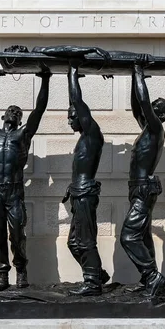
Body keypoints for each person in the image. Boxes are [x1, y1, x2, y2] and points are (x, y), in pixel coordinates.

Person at [0, 68, 51, 291]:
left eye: (18, 112)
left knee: (17, 233)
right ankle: (3, 273)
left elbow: (40, 109)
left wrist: (45, 79)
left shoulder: (23, 135)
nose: (14, 112)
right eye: (11, 110)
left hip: (14, 192)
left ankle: (21, 270)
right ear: (4, 116)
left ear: (20, 119)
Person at [119, 55, 165, 298]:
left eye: (154, 106)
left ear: (159, 114)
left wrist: (139, 70)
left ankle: (152, 276)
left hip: (143, 188)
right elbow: (136, 105)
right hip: (139, 188)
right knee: (142, 235)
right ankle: (148, 280)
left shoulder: (155, 128)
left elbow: (143, 100)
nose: (148, 107)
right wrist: (134, 75)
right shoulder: (147, 130)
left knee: (129, 236)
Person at [62, 61, 110, 296]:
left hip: (85, 194)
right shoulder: (84, 138)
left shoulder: (92, 134)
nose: (69, 119)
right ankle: (97, 272)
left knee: (84, 240)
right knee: (73, 243)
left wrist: (72, 72)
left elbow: (77, 102)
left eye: (72, 116)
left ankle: (92, 283)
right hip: (78, 193)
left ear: (84, 117)